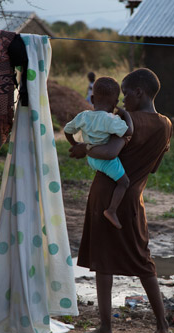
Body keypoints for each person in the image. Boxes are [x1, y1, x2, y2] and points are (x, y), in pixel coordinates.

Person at [69, 68, 172, 333]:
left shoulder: (124, 121)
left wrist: (85, 149)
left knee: (104, 261)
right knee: (142, 260)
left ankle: (105, 329)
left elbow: (109, 151)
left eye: (125, 94)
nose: (121, 101)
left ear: (139, 92)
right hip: (134, 199)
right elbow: (155, 168)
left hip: (106, 193)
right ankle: (162, 326)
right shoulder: (166, 125)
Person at [64, 77, 133, 229]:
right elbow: (129, 131)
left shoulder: (83, 116)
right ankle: (111, 210)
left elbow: (67, 130)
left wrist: (75, 144)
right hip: (105, 159)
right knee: (124, 183)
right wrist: (126, 114)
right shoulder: (110, 119)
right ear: (115, 103)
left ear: (93, 98)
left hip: (92, 159)